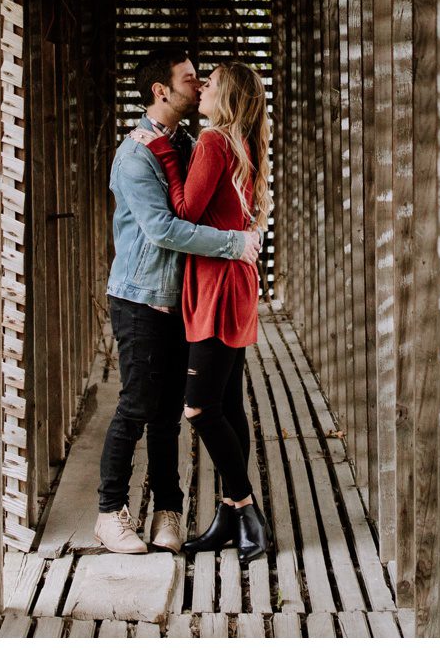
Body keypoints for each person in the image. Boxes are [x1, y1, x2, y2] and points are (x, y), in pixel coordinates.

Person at [95, 44, 262, 556]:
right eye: (190, 79)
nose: (198, 85)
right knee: (137, 405)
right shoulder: (135, 153)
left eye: (201, 79)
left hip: (183, 298)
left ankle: (168, 509)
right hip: (142, 298)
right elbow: (166, 227)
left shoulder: (189, 141)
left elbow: (212, 199)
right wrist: (237, 244)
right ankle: (110, 512)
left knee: (171, 412)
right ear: (160, 90)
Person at [131, 60, 275, 566]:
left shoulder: (214, 142)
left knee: (199, 407)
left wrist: (166, 158)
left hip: (215, 286)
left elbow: (185, 212)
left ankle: (246, 508)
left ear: (227, 95)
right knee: (229, 405)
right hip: (234, 283)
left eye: (210, 82)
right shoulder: (242, 142)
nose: (202, 87)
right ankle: (228, 518)